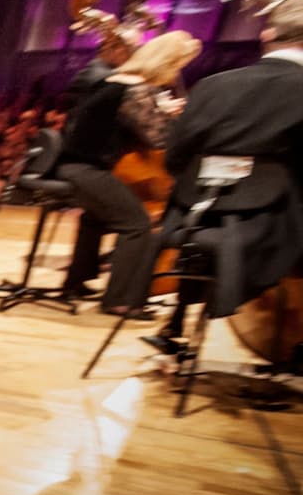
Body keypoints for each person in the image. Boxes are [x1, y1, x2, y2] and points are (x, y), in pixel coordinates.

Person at [147, 0, 303, 351]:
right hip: (269, 227)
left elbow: (175, 159)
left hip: (189, 222)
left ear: (268, 35)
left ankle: (177, 322)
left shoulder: (211, 85)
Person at [56, 31, 201, 315]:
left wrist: (160, 109)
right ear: (165, 63)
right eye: (176, 66)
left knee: (95, 218)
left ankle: (76, 283)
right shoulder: (135, 89)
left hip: (73, 166)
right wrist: (173, 116)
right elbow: (158, 138)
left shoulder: (115, 81)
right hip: (88, 170)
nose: (175, 74)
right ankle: (119, 300)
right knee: (137, 226)